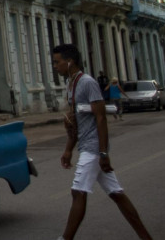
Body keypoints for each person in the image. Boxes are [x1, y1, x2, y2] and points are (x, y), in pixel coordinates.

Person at [51, 43, 151, 240]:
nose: (55, 66)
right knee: (117, 194)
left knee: (78, 191)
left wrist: (103, 153)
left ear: (69, 62)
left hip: (94, 148)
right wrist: (68, 149)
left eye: (57, 62)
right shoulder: (72, 84)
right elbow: (75, 121)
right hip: (87, 145)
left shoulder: (87, 82)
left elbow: (101, 117)